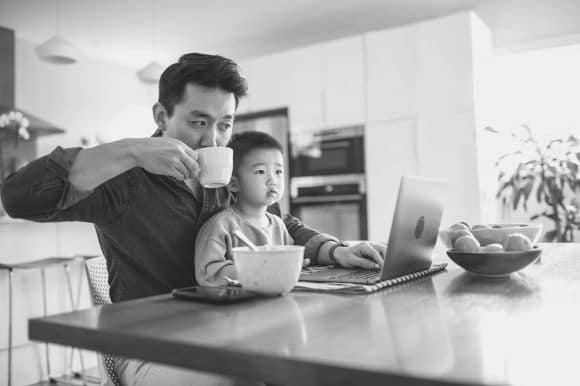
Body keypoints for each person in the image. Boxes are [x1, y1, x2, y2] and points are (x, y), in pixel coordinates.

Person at [0, 52, 384, 385]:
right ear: (161, 116)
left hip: (232, 329)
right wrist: (134, 150)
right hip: (151, 347)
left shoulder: (225, 177)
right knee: (253, 375)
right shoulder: (123, 180)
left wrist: (335, 251)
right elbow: (17, 197)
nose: (214, 140)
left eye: (225, 124)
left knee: (329, 357)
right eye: (199, 123)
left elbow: (280, 223)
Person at [196, 131, 298, 286]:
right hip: (234, 306)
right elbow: (208, 274)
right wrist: (258, 269)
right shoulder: (221, 225)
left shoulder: (278, 225)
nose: (273, 180)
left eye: (278, 171)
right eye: (260, 171)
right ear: (234, 184)